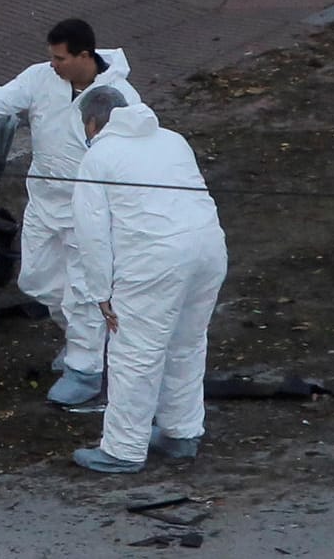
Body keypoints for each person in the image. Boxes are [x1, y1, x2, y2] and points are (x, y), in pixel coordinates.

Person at [0, 19, 138, 406]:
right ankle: (90, 345)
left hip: (90, 210)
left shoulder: (120, 98)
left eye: (59, 58)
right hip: (45, 203)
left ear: (84, 56)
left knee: (83, 291)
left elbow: (137, 157)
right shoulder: (40, 79)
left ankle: (85, 369)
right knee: (39, 280)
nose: (53, 65)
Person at [67, 87, 227, 473]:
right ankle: (181, 432)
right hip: (209, 248)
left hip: (153, 261)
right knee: (187, 344)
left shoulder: (99, 156)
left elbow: (91, 233)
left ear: (92, 122)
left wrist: (100, 291)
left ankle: (123, 449)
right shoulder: (173, 139)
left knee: (135, 353)